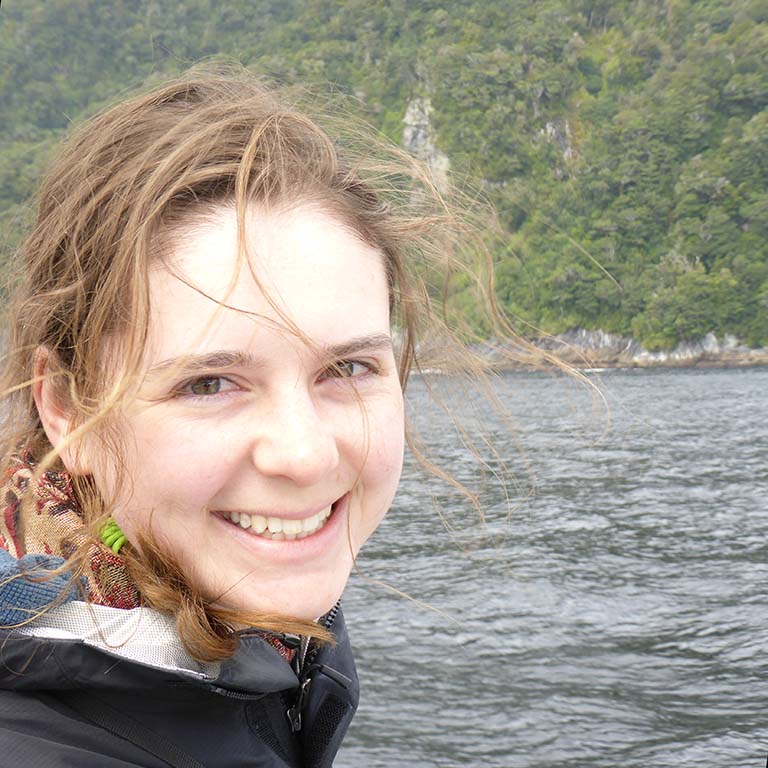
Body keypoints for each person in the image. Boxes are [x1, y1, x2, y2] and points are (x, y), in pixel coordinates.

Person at [0, 68, 537, 767]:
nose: (306, 454)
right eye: (211, 382)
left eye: (347, 369)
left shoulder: (251, 650)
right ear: (68, 410)